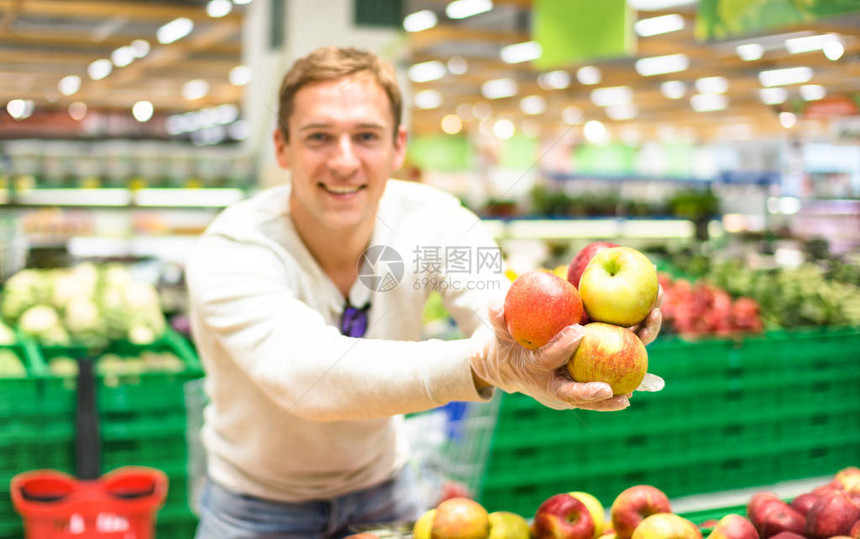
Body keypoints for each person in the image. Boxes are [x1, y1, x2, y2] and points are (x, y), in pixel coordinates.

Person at [185, 46, 662, 539]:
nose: (344, 161)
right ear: (282, 146)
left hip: (385, 494)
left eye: (366, 136)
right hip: (254, 511)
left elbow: (495, 305)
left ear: (398, 146)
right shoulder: (235, 248)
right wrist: (482, 364)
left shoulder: (435, 223)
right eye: (319, 137)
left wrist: (569, 341)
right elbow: (308, 376)